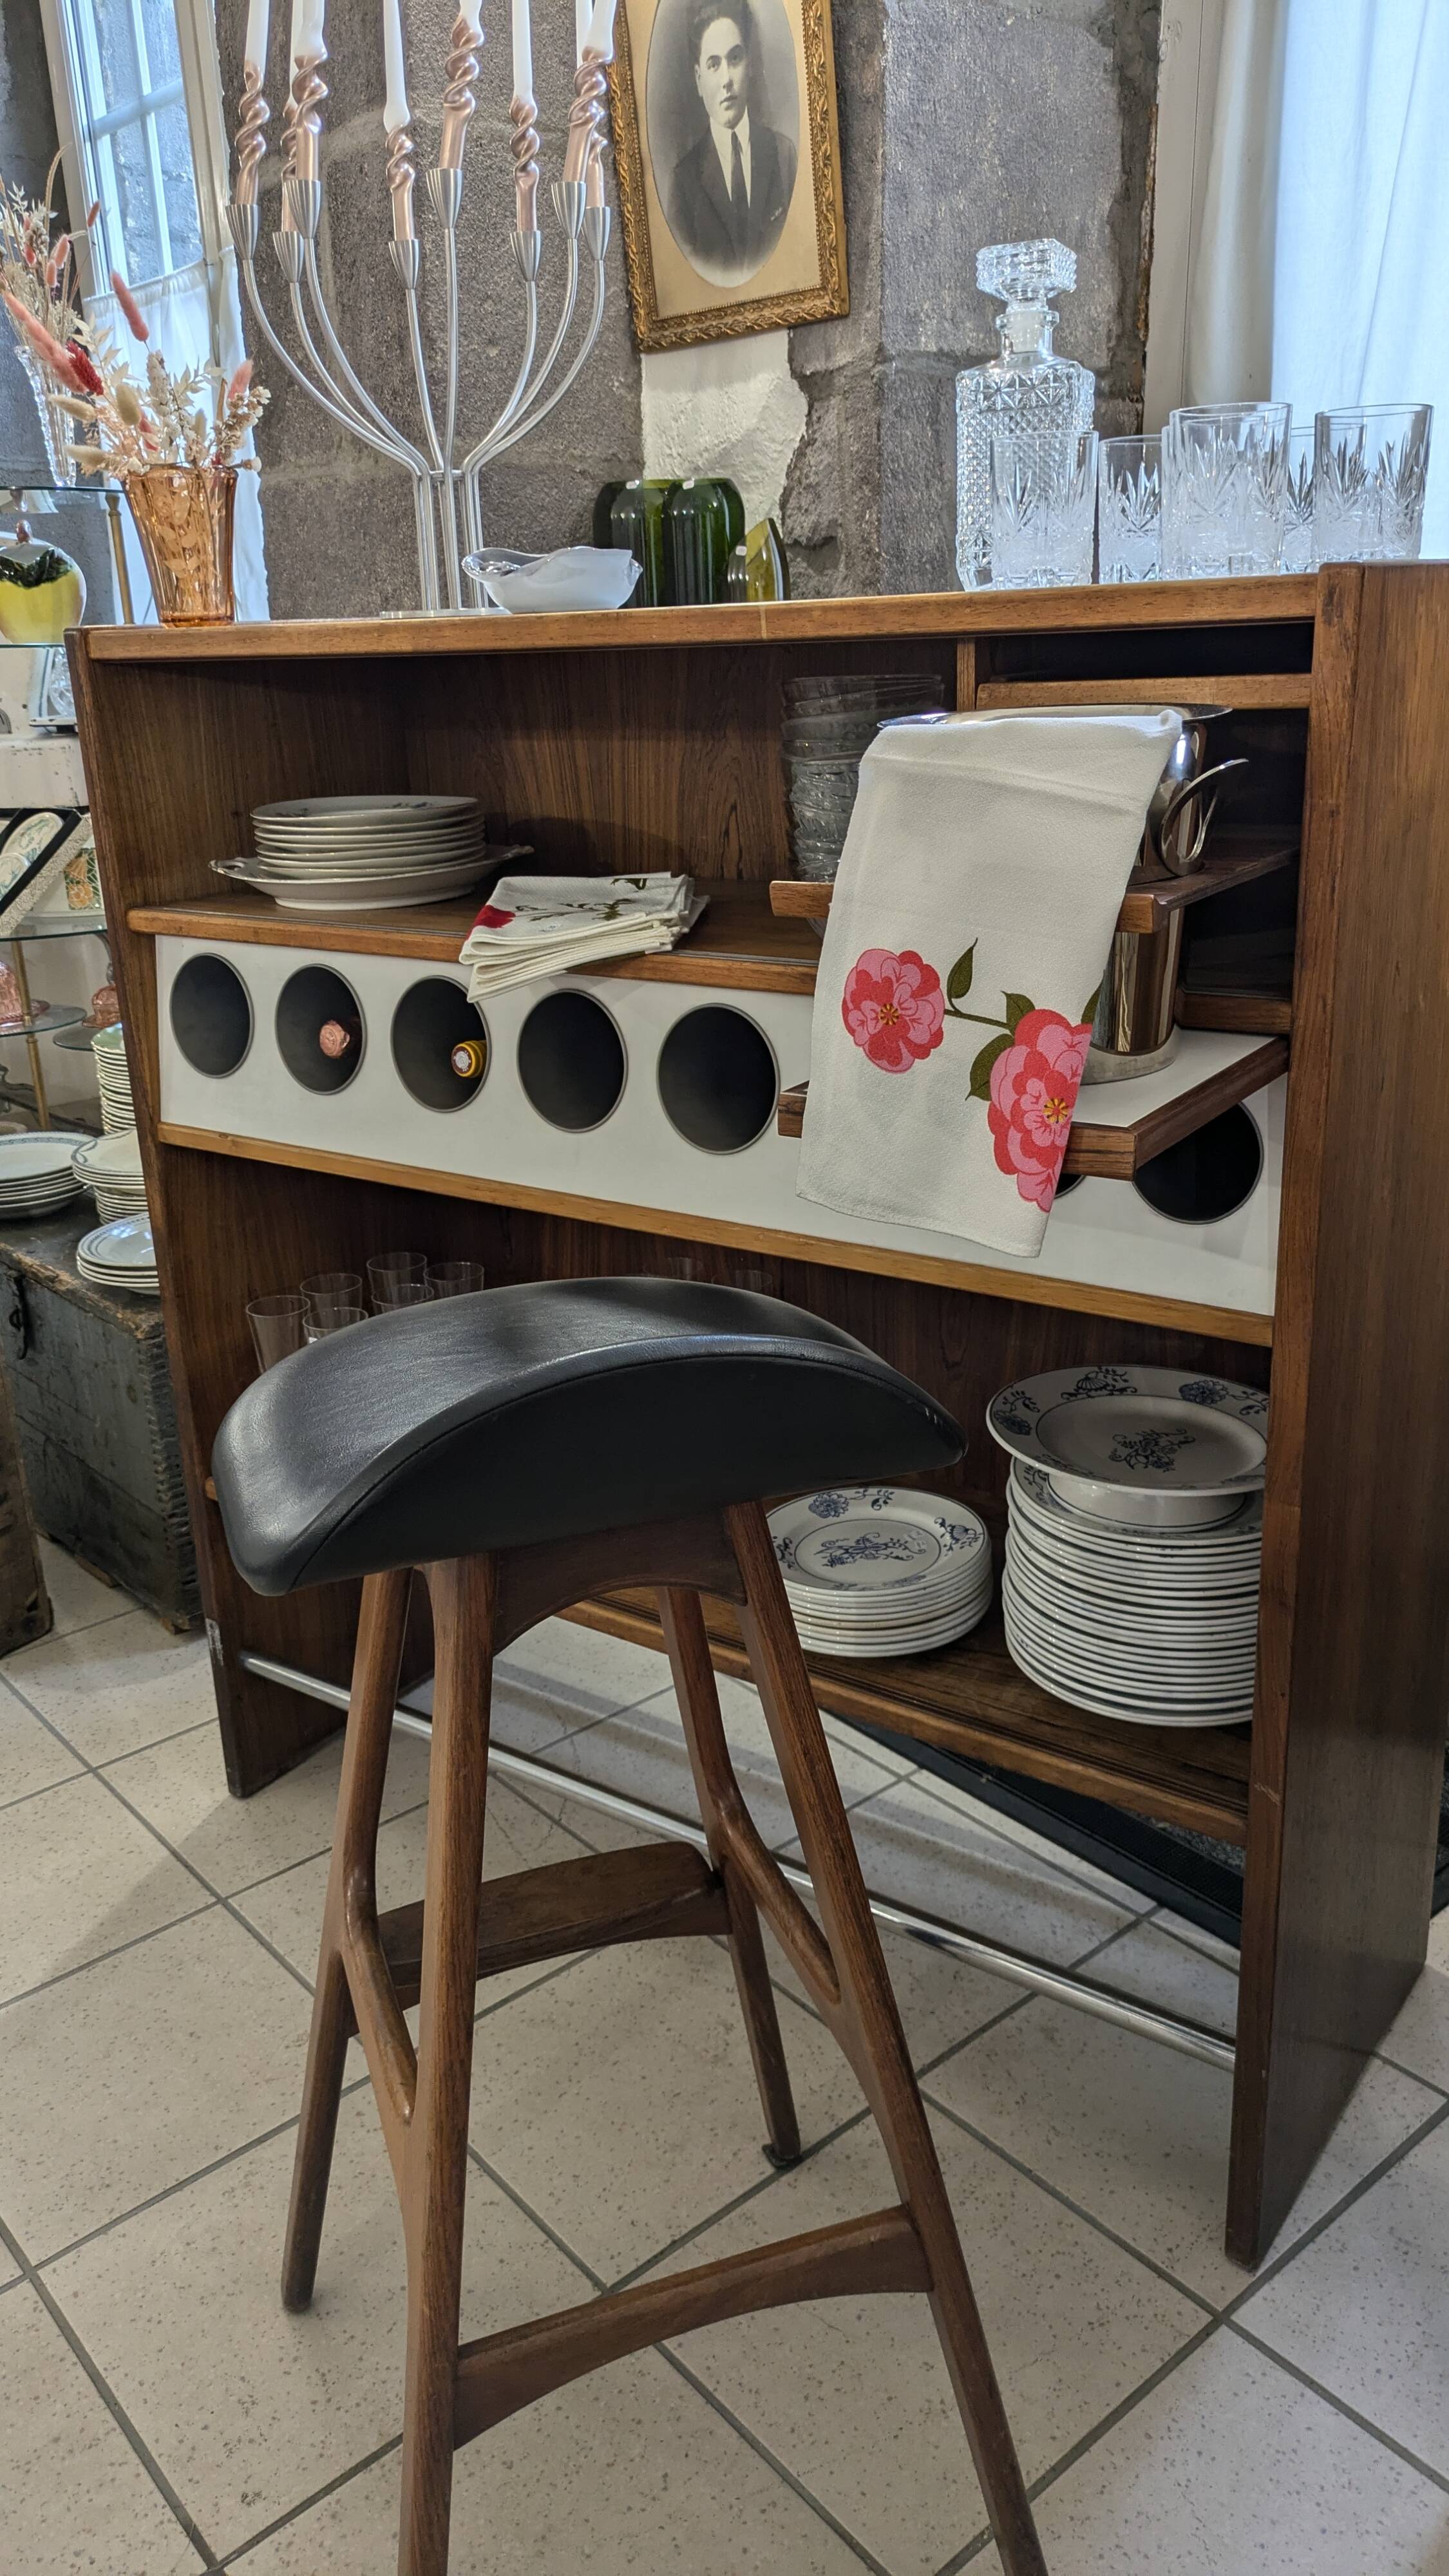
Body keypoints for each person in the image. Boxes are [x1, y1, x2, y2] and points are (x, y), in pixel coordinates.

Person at [665, 1, 797, 286]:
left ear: (749, 66)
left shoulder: (784, 155)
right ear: (699, 81)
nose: (727, 80)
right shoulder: (683, 183)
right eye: (714, 65)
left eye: (735, 59)